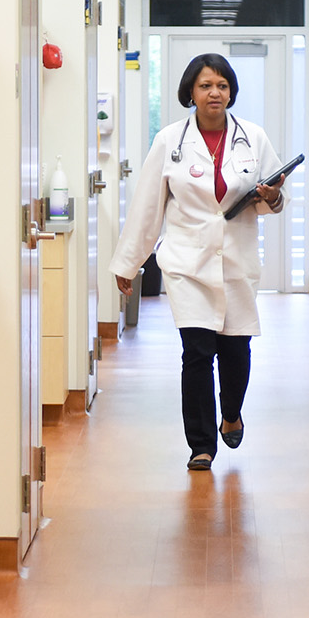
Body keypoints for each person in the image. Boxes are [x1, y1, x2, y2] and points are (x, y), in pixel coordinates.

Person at [109, 53, 287, 471]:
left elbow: (277, 198)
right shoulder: (169, 140)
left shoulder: (254, 137)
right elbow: (148, 207)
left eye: (222, 86)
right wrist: (128, 262)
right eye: (206, 85)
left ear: (231, 93)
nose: (215, 93)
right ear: (190, 90)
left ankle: (231, 414)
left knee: (236, 349)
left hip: (236, 260)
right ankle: (202, 444)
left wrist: (271, 195)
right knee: (196, 352)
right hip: (187, 262)